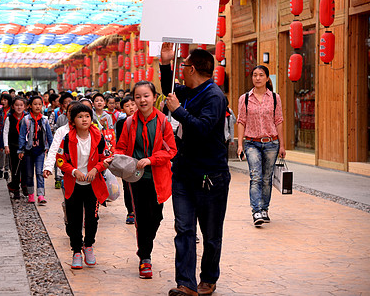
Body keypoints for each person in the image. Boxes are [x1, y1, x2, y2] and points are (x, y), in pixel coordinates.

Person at [160, 44, 230, 296]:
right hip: (183, 173)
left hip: (211, 176)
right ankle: (186, 284)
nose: (181, 71)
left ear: (194, 69)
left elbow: (202, 128)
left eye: (183, 66)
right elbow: (168, 90)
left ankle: (209, 277)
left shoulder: (214, 96)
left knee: (210, 235)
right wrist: (166, 63)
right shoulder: (187, 90)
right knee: (185, 229)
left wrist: (178, 111)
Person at [115, 81, 177, 279]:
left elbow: (172, 151)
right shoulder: (129, 123)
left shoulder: (163, 122)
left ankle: (145, 248)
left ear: (154, 97)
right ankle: (145, 257)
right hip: (136, 179)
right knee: (141, 218)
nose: (142, 100)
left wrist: (151, 159)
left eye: (146, 96)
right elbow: (121, 147)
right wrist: (115, 158)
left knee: (156, 217)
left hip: (158, 177)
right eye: (138, 97)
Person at [56, 104, 112, 269]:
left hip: (93, 185)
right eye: (80, 116)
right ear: (73, 120)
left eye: (87, 116)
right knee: (74, 219)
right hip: (73, 184)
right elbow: (61, 160)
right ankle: (76, 251)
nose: (84, 119)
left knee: (92, 218)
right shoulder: (67, 139)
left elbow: (106, 158)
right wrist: (73, 171)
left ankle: (88, 246)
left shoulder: (99, 137)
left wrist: (96, 169)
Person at [237, 65, 285, 227]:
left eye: (261, 75)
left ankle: (264, 209)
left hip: (272, 143)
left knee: (266, 178)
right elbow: (241, 121)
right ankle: (256, 210)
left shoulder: (274, 97)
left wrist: (282, 145)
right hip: (251, 143)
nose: (257, 78)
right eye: (255, 75)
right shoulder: (244, 98)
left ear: (267, 78)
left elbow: (278, 121)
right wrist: (240, 145)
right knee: (256, 176)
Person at [18, 96, 53, 204]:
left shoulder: (45, 120)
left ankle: (41, 195)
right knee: (29, 174)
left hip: (40, 151)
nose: (37, 106)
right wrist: (21, 150)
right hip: (28, 150)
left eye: (39, 104)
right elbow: (22, 135)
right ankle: (31, 194)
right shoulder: (26, 120)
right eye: (35, 104)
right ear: (30, 106)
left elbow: (49, 136)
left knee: (39, 172)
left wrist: (52, 150)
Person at [114, 95, 137, 225]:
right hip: (127, 159)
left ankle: (139, 210)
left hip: (140, 159)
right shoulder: (121, 123)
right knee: (127, 186)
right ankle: (130, 211)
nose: (131, 108)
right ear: (122, 109)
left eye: (132, 104)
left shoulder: (142, 120)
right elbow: (120, 142)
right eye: (127, 106)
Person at [4, 96, 28, 199]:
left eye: (21, 105)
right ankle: (15, 188)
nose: (19, 107)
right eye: (17, 105)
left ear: (25, 107)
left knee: (25, 168)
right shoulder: (9, 118)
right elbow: (5, 132)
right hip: (13, 147)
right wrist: (6, 145)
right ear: (13, 106)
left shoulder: (27, 118)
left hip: (25, 147)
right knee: (15, 168)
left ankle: (25, 186)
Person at [0, 93, 12, 180]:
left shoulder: (12, 111)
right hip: (0, 134)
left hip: (10, 135)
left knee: (8, 153)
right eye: (2, 100)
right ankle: (0, 169)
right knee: (1, 152)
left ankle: (6, 170)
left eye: (5, 100)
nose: (3, 101)